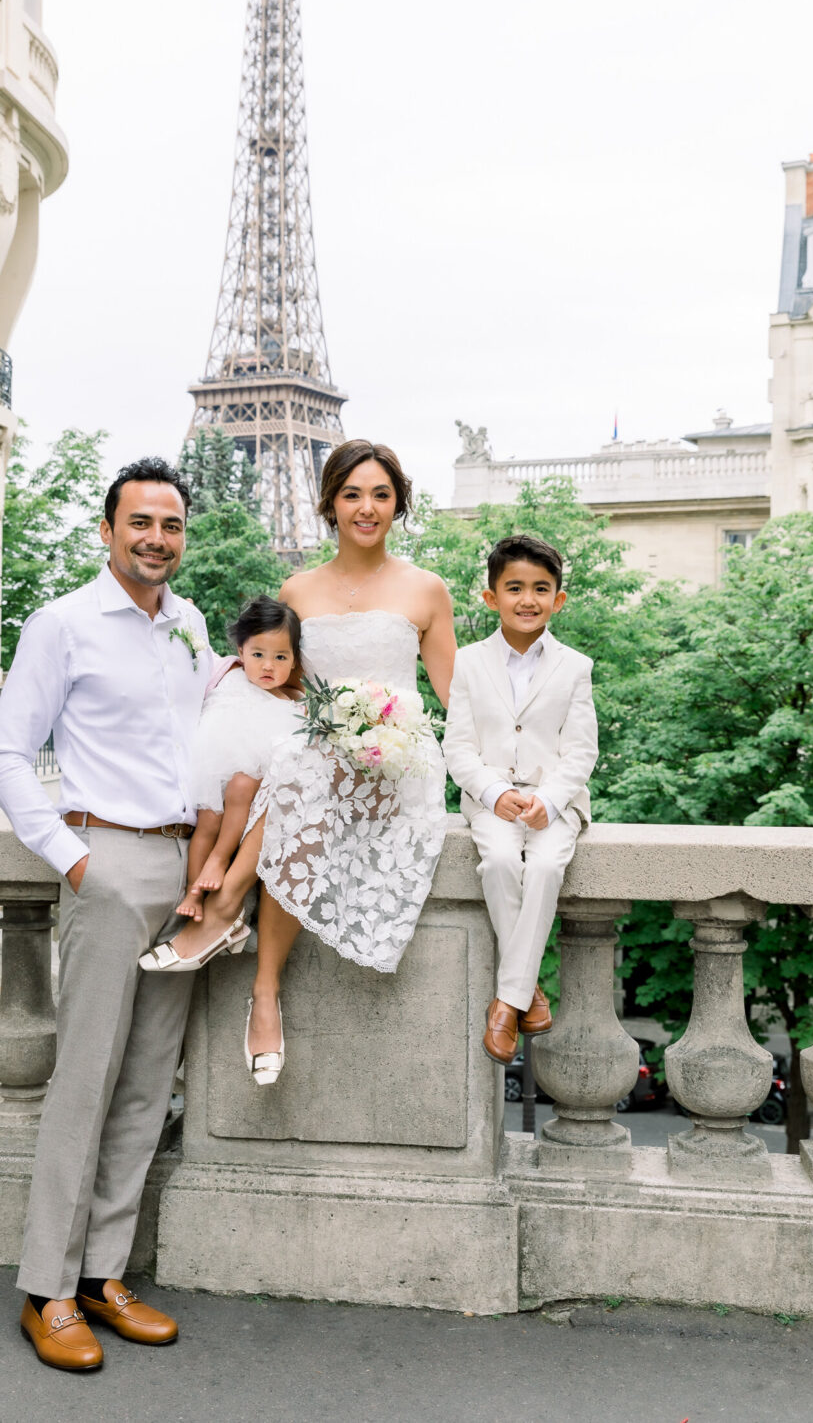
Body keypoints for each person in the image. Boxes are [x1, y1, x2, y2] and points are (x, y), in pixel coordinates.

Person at [0, 457, 213, 1374]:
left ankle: (102, 1276)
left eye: (172, 524)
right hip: (106, 859)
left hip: (185, 868)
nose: (158, 538)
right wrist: (74, 860)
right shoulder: (64, 624)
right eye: (142, 522)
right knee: (86, 1080)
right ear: (109, 531)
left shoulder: (190, 628)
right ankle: (46, 1289)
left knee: (150, 1082)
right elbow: (3, 753)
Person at [150, 439, 457, 1085]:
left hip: (396, 764)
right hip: (318, 756)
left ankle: (224, 908)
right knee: (295, 762)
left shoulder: (426, 589)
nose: (366, 508)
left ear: (399, 502)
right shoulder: (298, 587)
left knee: (297, 769)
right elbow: (281, 684)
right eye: (352, 494)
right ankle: (265, 997)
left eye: (380, 494)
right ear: (329, 503)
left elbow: (456, 698)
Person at [443, 534, 598, 1065]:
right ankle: (526, 991)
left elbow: (581, 751)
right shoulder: (467, 662)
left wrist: (550, 801)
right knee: (503, 861)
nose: (527, 599)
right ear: (491, 598)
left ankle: (506, 1002)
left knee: (549, 864)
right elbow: (457, 746)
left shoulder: (576, 666)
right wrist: (493, 792)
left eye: (540, 589)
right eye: (514, 588)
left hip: (555, 801)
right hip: (489, 799)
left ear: (558, 599)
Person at [139, 596, 302, 977]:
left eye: (281, 657)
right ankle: (195, 895)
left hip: (247, 783)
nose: (268, 666)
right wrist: (180, 610)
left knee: (243, 788)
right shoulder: (227, 674)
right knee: (207, 822)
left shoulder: (293, 705)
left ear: (294, 660)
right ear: (241, 651)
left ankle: (217, 865)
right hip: (211, 770)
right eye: (258, 654)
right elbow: (192, 652)